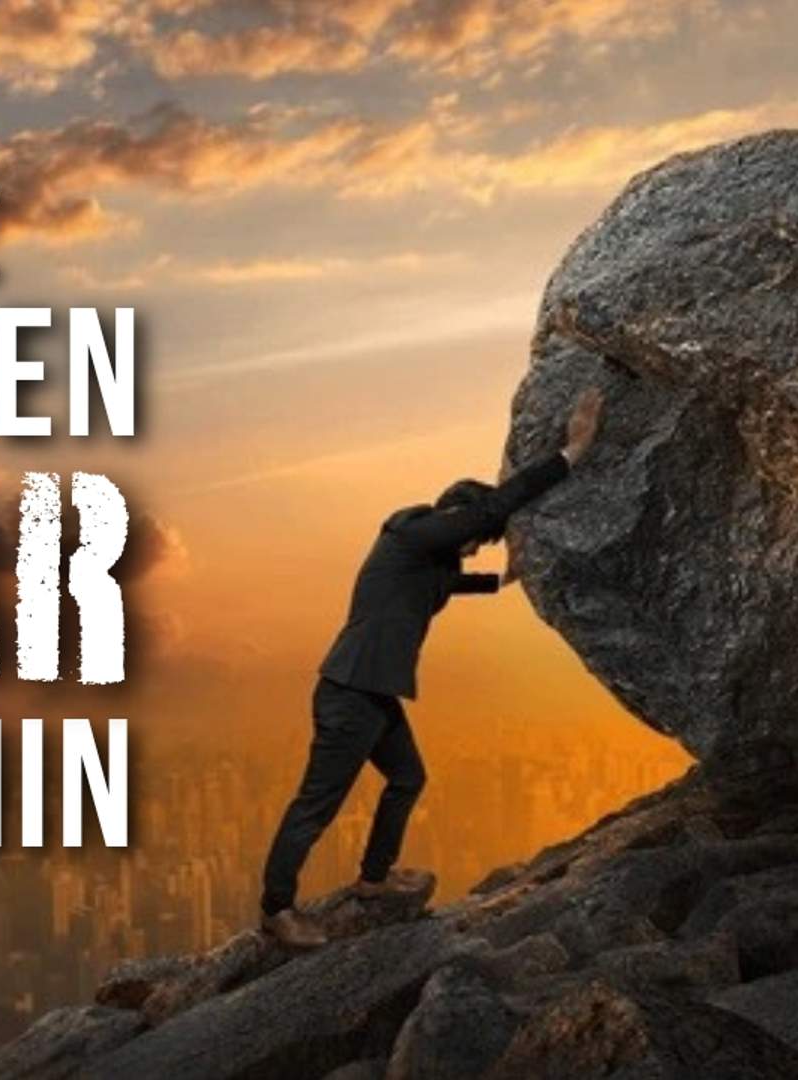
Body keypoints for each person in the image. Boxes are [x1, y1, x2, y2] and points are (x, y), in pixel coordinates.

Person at [258, 387, 606, 948]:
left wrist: (499, 579)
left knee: (408, 777)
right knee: (316, 805)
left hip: (372, 693)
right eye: (473, 542)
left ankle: (373, 879)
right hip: (351, 693)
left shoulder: (425, 561)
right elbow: (492, 509)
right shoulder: (412, 532)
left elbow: (453, 582)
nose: (471, 552)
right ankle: (277, 910)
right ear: (455, 519)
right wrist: (571, 454)